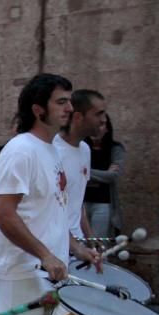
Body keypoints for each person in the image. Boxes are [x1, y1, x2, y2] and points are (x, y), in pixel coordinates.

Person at [0, 74, 100, 315]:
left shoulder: (51, 151)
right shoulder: (20, 151)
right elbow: (4, 215)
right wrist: (46, 255)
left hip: (45, 271)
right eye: (61, 101)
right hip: (21, 270)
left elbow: (52, 215)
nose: (69, 107)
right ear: (38, 109)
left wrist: (77, 248)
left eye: (69, 100)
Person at [55, 89, 106, 241]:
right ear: (78, 117)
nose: (104, 120)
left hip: (77, 246)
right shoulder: (52, 150)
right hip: (55, 247)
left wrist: (90, 240)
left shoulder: (85, 150)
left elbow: (77, 201)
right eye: (98, 114)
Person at [85, 114, 126, 239]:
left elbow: (112, 176)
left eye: (102, 124)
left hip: (103, 203)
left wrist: (85, 173)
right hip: (81, 202)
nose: (97, 127)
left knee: (98, 243)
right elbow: (72, 172)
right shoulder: (81, 148)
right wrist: (103, 174)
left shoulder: (115, 149)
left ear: (107, 128)